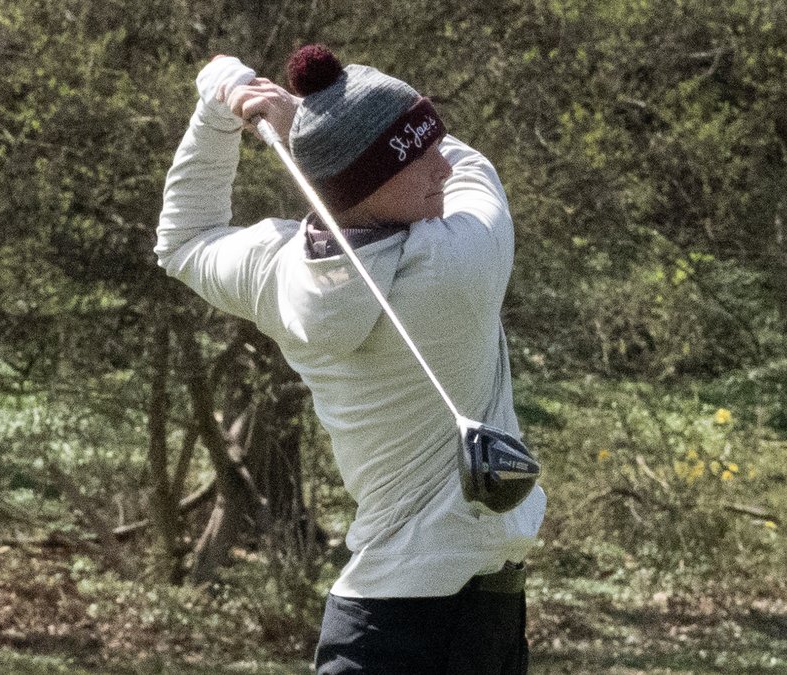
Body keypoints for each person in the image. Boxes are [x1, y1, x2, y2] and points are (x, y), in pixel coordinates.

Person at [155, 44, 546, 674]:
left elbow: (184, 241)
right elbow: (477, 167)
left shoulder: (276, 271)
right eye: (419, 160)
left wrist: (217, 110)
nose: (442, 168)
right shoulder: (461, 260)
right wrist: (298, 121)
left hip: (381, 619)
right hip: (469, 622)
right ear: (368, 182)